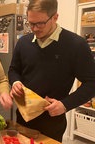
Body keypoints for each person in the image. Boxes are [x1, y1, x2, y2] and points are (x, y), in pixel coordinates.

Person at [8, 0, 95, 142]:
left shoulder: (76, 45)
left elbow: (92, 83)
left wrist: (65, 104)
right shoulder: (23, 42)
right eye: (30, 23)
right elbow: (13, 70)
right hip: (23, 120)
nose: (34, 28)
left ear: (55, 17)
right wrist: (15, 82)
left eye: (40, 23)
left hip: (53, 124)